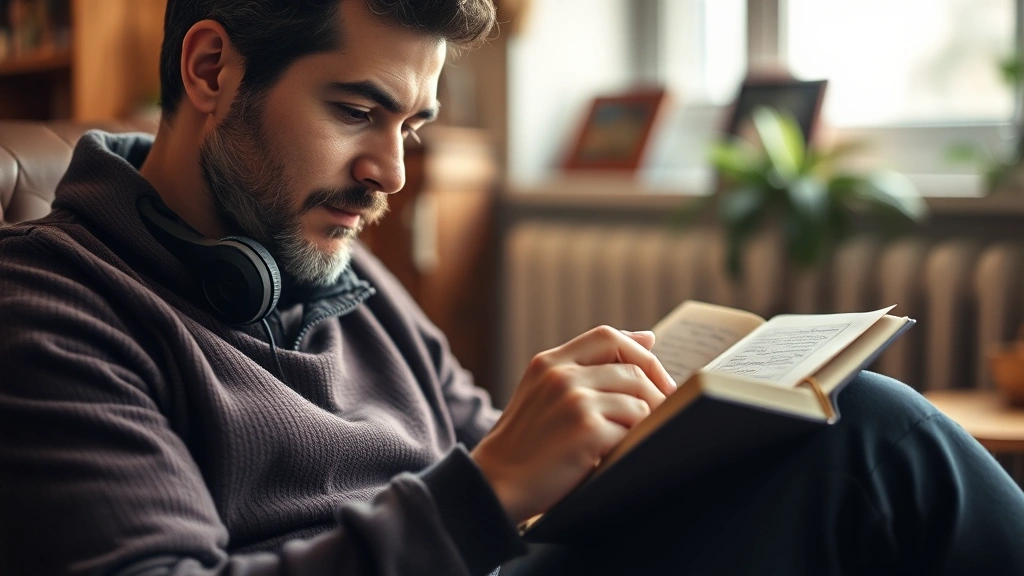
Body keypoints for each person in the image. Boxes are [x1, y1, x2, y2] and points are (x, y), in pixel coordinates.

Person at [0, 0, 1022, 574]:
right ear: (212, 69)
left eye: (412, 127)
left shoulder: (340, 273)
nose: (390, 174)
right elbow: (477, 495)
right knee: (872, 452)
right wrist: (488, 486)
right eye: (357, 110)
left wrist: (628, 446)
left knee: (846, 429)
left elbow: (499, 475)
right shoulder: (51, 313)